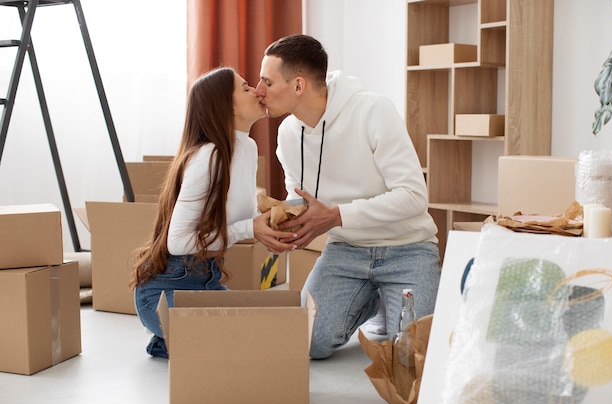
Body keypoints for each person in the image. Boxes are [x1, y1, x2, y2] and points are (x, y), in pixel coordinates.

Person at [256, 34, 441, 359]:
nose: (259, 91)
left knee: (410, 360)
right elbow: (301, 197)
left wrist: (337, 215)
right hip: (346, 252)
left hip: (407, 250)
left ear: (298, 86)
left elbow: (414, 197)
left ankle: (387, 297)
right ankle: (370, 298)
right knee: (307, 343)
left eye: (267, 82)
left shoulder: (373, 110)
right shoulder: (287, 134)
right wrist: (282, 224)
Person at [131, 67, 296, 358]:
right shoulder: (209, 156)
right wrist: (251, 229)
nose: (257, 90)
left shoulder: (245, 148)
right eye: (245, 88)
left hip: (207, 283)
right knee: (243, 347)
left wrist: (277, 218)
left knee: (270, 332)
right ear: (226, 105)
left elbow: (239, 217)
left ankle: (170, 341)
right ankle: (172, 333)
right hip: (165, 291)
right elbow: (177, 243)